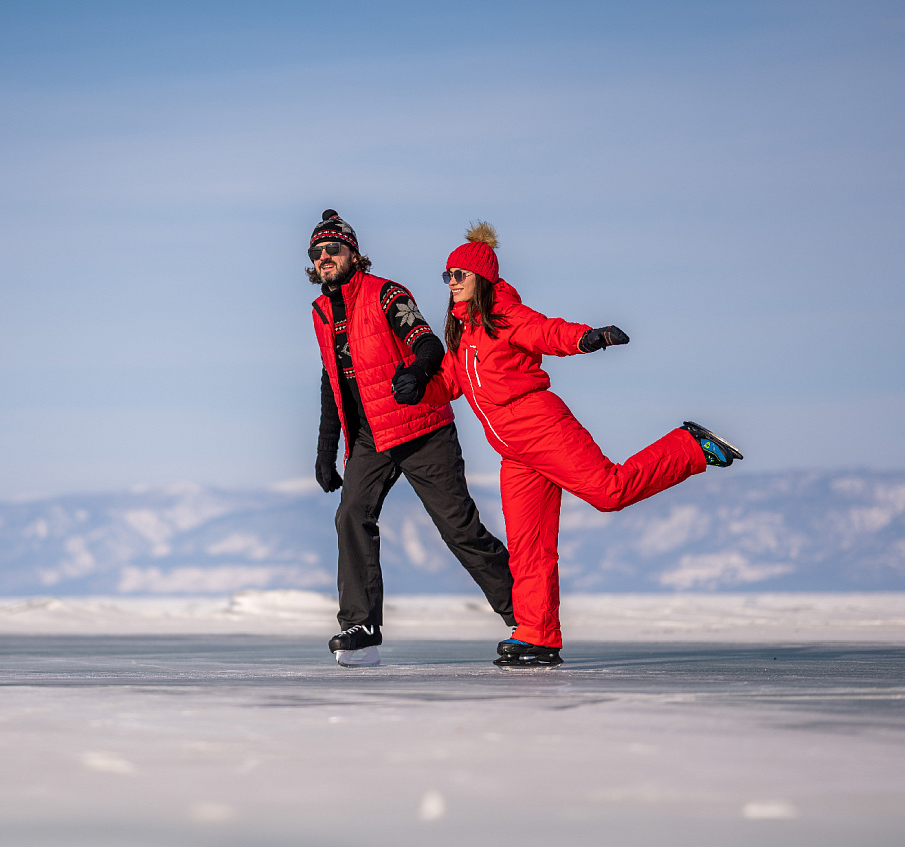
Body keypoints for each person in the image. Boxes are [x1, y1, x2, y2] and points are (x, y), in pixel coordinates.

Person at [395, 222, 742, 668]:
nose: (451, 284)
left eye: (458, 275)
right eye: (447, 277)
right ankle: (537, 635)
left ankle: (691, 447)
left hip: (541, 426)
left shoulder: (506, 315)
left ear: (480, 277)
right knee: (527, 545)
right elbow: (452, 383)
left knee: (609, 491)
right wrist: (417, 388)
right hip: (513, 452)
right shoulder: (462, 335)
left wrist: (587, 338)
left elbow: (548, 332)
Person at [305, 209, 517, 667]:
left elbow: (427, 343)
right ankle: (360, 628)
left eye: (333, 249)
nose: (325, 257)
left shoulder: (386, 293)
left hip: (422, 428)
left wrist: (418, 373)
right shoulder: (322, 312)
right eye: (317, 252)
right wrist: (326, 451)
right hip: (370, 437)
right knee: (351, 517)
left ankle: (525, 615)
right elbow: (333, 380)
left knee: (459, 529)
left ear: (353, 253)